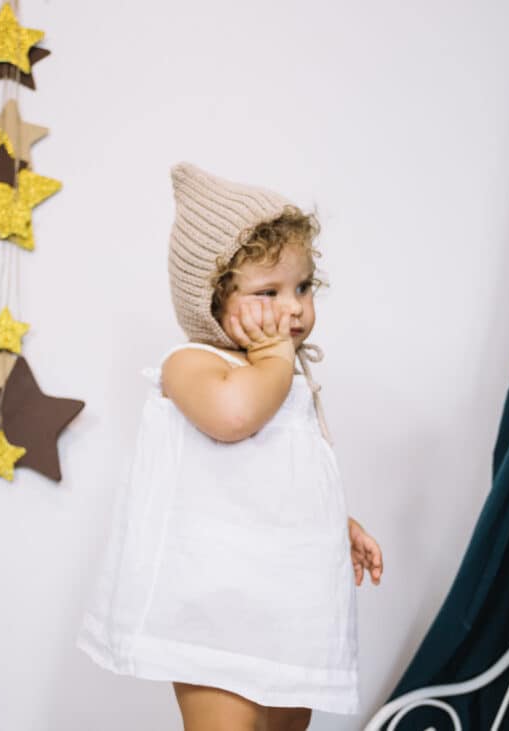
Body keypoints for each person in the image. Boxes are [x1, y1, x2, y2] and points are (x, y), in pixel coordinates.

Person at [77, 163, 383, 730]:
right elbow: (234, 418)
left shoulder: (283, 376)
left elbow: (273, 477)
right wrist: (272, 362)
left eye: (303, 287)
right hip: (216, 606)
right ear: (211, 301)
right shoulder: (191, 364)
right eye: (269, 292)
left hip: (290, 602)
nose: (293, 307)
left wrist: (334, 521)